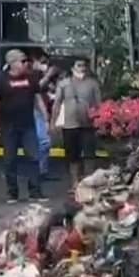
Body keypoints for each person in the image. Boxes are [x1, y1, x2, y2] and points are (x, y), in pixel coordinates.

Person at [0, 49, 49, 203]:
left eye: (26, 61)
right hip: (9, 126)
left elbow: (37, 98)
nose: (26, 63)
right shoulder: (0, 80)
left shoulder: (31, 78)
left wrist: (45, 117)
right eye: (22, 61)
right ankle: (12, 193)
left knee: (34, 157)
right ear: (12, 63)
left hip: (28, 124)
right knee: (10, 160)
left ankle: (35, 192)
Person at [52, 58, 102, 189]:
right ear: (73, 68)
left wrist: (100, 122)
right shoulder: (64, 84)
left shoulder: (93, 84)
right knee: (72, 156)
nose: (82, 68)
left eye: (84, 65)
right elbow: (57, 104)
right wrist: (53, 122)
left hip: (88, 125)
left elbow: (99, 104)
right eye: (79, 65)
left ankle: (89, 183)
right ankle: (74, 183)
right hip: (70, 125)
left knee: (89, 155)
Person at [31, 52, 59, 181]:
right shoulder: (32, 74)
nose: (45, 65)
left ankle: (42, 171)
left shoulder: (50, 76)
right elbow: (37, 88)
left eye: (46, 62)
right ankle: (39, 171)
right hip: (36, 111)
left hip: (45, 111)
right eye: (42, 62)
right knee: (43, 141)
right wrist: (48, 75)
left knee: (45, 142)